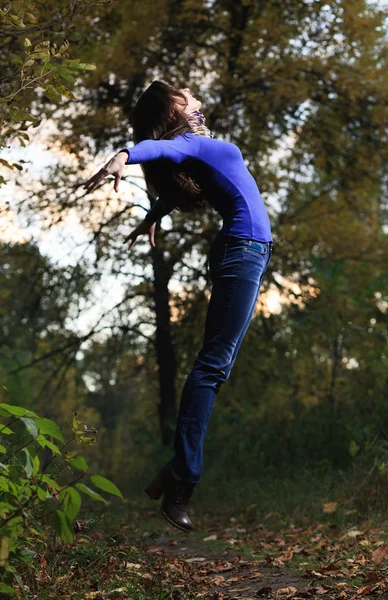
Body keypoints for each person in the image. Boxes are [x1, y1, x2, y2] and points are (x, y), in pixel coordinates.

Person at [83, 80, 274, 532]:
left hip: (248, 251)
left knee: (217, 366)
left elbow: (186, 177)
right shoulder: (182, 142)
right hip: (242, 250)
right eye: (185, 95)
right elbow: (154, 149)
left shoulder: (198, 147)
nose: (195, 95)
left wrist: (155, 213)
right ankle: (182, 480)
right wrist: (124, 157)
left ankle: (176, 473)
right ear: (173, 109)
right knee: (211, 366)